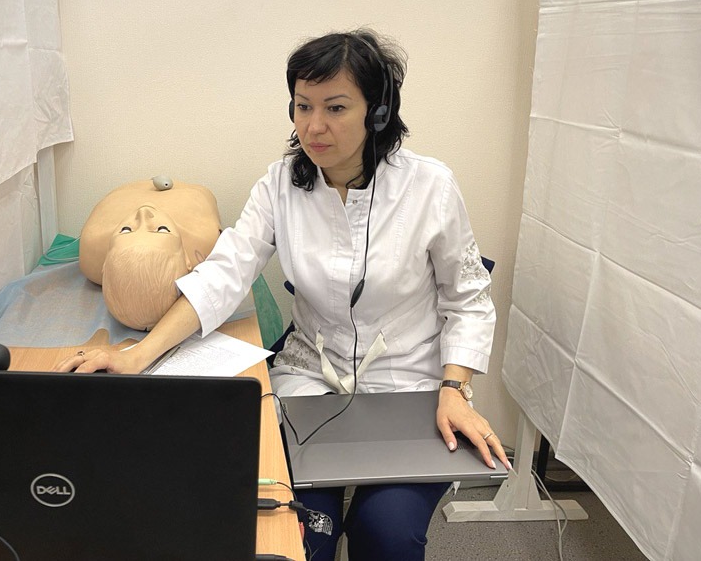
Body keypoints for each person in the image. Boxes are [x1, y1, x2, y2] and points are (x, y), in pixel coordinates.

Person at [56, 30, 510, 560]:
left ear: (378, 112)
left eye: (335, 107)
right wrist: (135, 356)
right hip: (311, 381)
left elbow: (468, 299)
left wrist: (454, 388)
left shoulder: (430, 187)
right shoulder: (280, 186)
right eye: (302, 106)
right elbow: (223, 275)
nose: (313, 126)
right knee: (300, 531)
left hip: (412, 388)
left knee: (386, 532)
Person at [78, 179, 221, 330]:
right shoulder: (206, 241)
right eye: (162, 229)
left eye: (126, 229)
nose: (143, 212)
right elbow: (205, 194)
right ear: (186, 259)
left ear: (104, 265)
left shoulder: (92, 244)